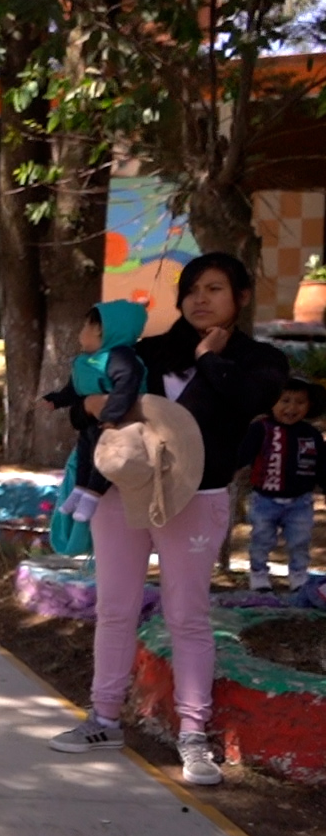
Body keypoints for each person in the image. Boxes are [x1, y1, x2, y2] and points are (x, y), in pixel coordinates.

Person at [48, 252, 288, 787]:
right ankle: (104, 718)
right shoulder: (147, 352)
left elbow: (252, 398)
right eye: (192, 290)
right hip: (123, 494)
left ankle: (194, 736)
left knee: (188, 615)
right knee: (115, 608)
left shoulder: (260, 359)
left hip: (198, 497)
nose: (200, 299)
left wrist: (208, 359)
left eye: (215, 288)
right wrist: (86, 408)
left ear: (241, 298)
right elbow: (85, 402)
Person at [42, 300, 149, 522]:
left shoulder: (121, 358)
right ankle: (80, 489)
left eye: (85, 327)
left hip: (116, 424)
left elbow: (126, 387)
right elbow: (74, 390)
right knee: (84, 455)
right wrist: (56, 400)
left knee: (105, 459)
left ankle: (93, 495)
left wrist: (112, 416)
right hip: (91, 423)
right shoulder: (87, 363)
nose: (80, 333)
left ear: (101, 330)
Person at [238, 378, 323, 591]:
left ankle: (298, 576)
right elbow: (242, 455)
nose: (291, 408)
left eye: (299, 402)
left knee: (300, 541)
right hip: (264, 499)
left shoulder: (311, 435)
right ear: (272, 402)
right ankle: (258, 575)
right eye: (285, 400)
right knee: (261, 539)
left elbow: (322, 464)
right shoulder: (260, 429)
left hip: (300, 502)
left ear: (309, 406)